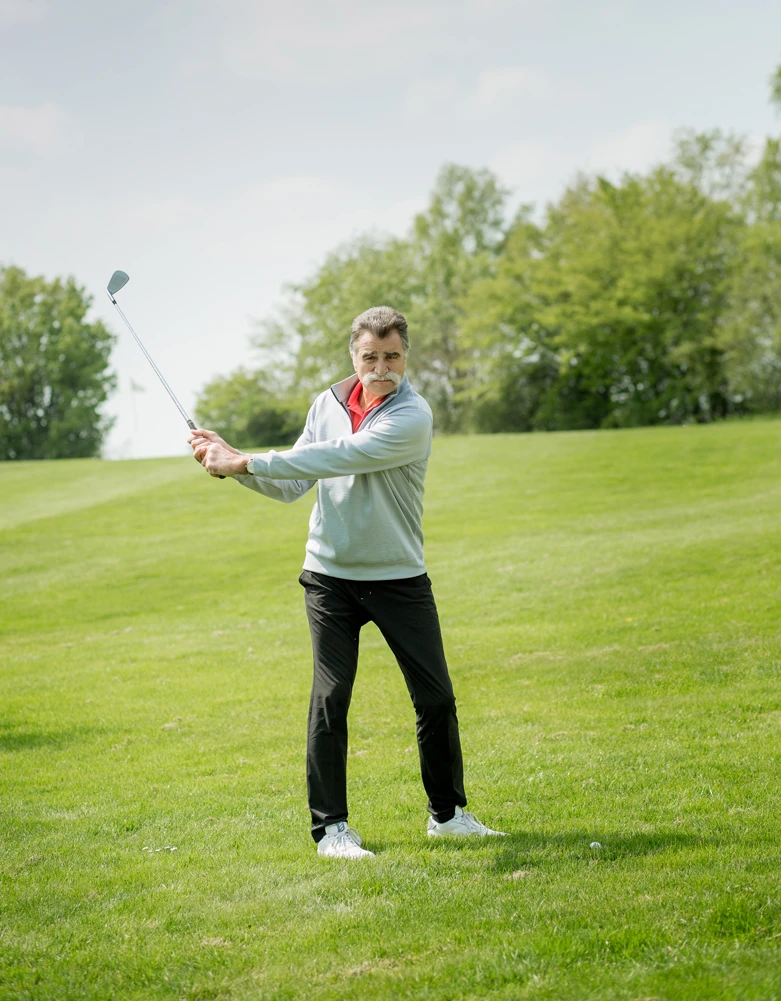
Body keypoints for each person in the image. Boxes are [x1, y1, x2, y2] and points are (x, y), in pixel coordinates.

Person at [189, 306, 505, 858]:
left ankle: (449, 816)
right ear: (353, 356)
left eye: (392, 357)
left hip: (398, 577)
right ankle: (331, 829)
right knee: (330, 699)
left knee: (436, 699)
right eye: (370, 357)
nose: (381, 368)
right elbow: (294, 482)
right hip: (329, 578)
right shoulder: (327, 405)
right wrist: (230, 467)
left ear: (405, 356)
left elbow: (343, 456)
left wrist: (243, 461)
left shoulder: (412, 416)